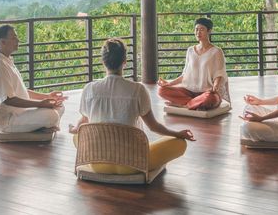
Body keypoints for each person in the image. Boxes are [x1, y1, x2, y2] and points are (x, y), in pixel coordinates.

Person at [69, 38, 194, 174]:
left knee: (77, 136)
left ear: (103, 62)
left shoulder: (89, 89)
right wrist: (177, 134)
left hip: (98, 163)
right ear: (124, 61)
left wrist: (75, 128)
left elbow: (83, 121)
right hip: (132, 164)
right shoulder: (137, 89)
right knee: (179, 143)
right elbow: (153, 126)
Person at [0, 24, 66, 133]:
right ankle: (42, 126)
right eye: (13, 38)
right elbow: (8, 100)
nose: (18, 40)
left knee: (59, 106)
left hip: (22, 113)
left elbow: (20, 91)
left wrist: (47, 96)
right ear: (2, 42)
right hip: (10, 121)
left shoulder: (6, 60)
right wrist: (40, 104)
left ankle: (42, 126)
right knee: (52, 115)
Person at [157, 17, 229, 110]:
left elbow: (219, 74)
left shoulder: (217, 51)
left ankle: (185, 104)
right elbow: (184, 75)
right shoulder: (190, 50)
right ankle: (194, 103)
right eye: (196, 29)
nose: (198, 32)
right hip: (189, 91)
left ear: (209, 31)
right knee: (162, 90)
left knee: (210, 99)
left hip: (207, 92)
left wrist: (215, 87)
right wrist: (169, 84)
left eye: (202, 29)